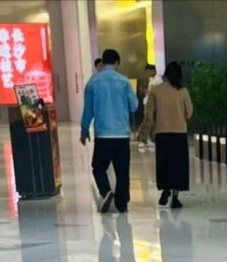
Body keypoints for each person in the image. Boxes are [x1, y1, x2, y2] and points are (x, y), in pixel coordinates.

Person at [80, 48, 138, 214]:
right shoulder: (125, 82)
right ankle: (122, 203)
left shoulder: (93, 82)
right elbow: (134, 106)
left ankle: (106, 192)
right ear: (117, 62)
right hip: (122, 134)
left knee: (98, 167)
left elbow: (88, 110)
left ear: (103, 62)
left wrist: (84, 130)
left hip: (103, 134)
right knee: (122, 170)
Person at [146, 60, 193, 208]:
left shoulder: (155, 90)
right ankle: (176, 197)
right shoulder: (183, 91)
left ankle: (165, 188)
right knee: (178, 165)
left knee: (164, 163)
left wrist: (150, 128)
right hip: (179, 134)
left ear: (166, 74)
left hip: (162, 132)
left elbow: (149, 112)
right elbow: (189, 113)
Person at [137, 63, 162, 151]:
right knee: (149, 121)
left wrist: (146, 91)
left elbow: (154, 92)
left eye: (148, 72)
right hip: (148, 102)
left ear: (153, 70)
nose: (147, 74)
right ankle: (149, 138)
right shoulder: (152, 79)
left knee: (148, 121)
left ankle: (143, 138)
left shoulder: (158, 80)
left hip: (152, 104)